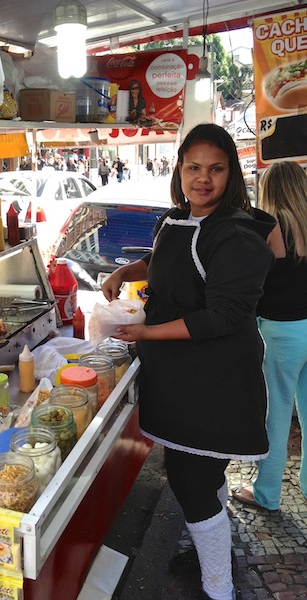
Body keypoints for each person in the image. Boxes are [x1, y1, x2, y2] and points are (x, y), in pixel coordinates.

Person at [101, 123, 276, 600]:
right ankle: (208, 555)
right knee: (205, 474)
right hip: (177, 376)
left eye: (215, 169)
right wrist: (125, 269)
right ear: (178, 169)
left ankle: (219, 587)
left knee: (189, 479)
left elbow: (222, 316)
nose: (203, 179)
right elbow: (162, 261)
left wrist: (144, 332)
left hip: (214, 379)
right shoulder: (171, 220)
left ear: (231, 174)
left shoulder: (235, 234)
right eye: (193, 167)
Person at [233, 161, 307, 512]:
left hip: (281, 333)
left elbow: (252, 286)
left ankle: (266, 495)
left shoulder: (269, 226)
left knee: (275, 416)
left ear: (271, 188)